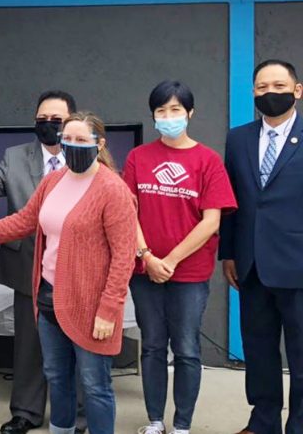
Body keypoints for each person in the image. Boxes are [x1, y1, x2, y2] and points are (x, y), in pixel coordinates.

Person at [0, 111, 137, 434]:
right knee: (57, 377)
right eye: (68, 139)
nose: (73, 145)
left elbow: (124, 258)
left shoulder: (113, 189)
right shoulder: (52, 181)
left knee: (95, 386)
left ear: (100, 144)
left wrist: (109, 310)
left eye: (82, 140)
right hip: (49, 300)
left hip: (90, 307)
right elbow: (21, 222)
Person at [0, 90, 77, 434]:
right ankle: (26, 412)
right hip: (28, 265)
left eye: (56, 120)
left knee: (78, 345)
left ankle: (77, 415)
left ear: (72, 123)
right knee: (29, 344)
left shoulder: (85, 156)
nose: (48, 125)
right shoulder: (16, 155)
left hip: (76, 268)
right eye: (42, 119)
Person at [124, 81, 237, 434]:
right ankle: (156, 420)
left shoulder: (208, 160)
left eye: (175, 110)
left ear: (190, 113)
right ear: (153, 116)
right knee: (153, 346)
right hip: (145, 272)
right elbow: (129, 212)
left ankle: (182, 425)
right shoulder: (138, 157)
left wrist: (169, 260)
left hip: (190, 275)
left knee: (187, 349)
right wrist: (147, 257)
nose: (168, 117)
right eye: (161, 111)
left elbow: (211, 221)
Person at [221, 59, 303, 434]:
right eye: (262, 88)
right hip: (251, 263)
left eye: (278, 86)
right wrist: (229, 253)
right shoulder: (238, 138)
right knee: (259, 351)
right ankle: (263, 421)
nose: (270, 93)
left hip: (297, 264)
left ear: (297, 90)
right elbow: (231, 200)